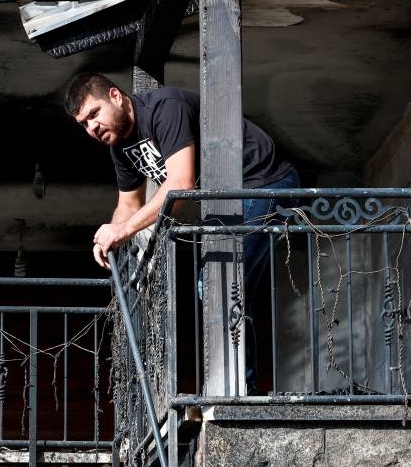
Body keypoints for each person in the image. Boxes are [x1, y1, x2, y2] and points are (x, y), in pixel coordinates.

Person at [64, 72, 299, 392]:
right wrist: (109, 237)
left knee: (218, 283)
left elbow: (181, 185)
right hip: (230, 202)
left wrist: (125, 230)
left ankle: (235, 391)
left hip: (265, 183)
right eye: (84, 124)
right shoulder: (120, 147)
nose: (92, 127)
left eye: (94, 114)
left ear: (116, 97)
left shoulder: (165, 108)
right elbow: (128, 205)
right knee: (231, 290)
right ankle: (244, 389)